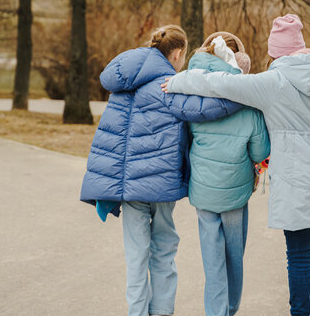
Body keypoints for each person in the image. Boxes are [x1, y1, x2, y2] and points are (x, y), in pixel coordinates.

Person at [162, 14, 310, 316]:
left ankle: (300, 313)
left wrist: (179, 79)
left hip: (297, 180)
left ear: (275, 51)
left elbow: (220, 84)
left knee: (299, 254)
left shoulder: (273, 83)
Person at [80, 25, 242, 316]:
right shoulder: (168, 84)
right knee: (163, 252)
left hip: (127, 188)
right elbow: (208, 108)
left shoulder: (122, 84)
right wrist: (241, 89)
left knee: (135, 256)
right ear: (178, 54)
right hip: (160, 186)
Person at [185, 32, 270, 316]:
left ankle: (215, 311)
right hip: (235, 192)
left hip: (203, 191)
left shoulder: (192, 94)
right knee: (234, 257)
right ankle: (229, 309)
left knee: (212, 260)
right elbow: (260, 152)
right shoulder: (246, 101)